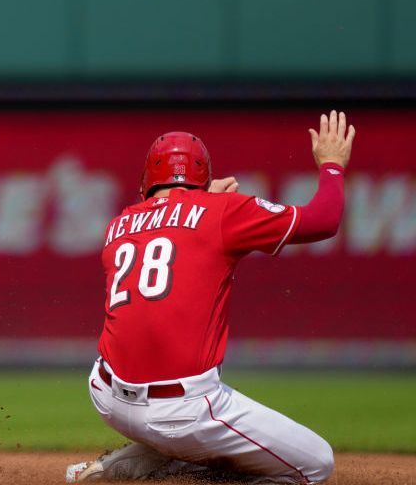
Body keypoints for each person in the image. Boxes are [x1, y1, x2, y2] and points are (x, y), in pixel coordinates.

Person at [67, 111, 355, 484]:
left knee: (173, 394)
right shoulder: (222, 212)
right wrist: (332, 164)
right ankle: (194, 475)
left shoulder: (119, 224)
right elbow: (324, 219)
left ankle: (135, 465)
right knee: (317, 464)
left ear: (146, 182)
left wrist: (200, 204)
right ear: (203, 179)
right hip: (183, 411)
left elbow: (174, 232)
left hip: (108, 398)